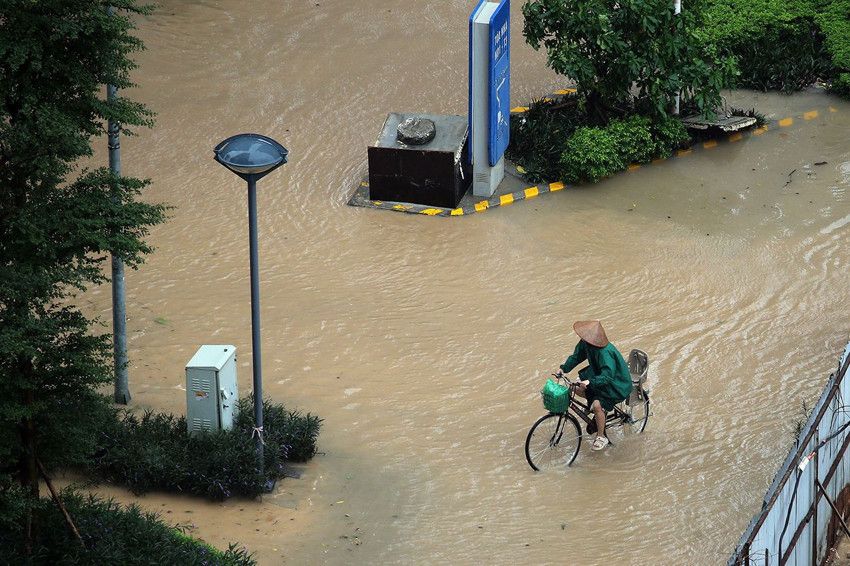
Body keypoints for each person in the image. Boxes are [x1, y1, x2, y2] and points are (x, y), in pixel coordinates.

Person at [556, 320, 633, 451]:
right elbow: (576, 357)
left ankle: (601, 436)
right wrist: (563, 369)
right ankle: (594, 407)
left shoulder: (605, 352)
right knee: (575, 388)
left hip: (616, 383)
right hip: (599, 377)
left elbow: (608, 376)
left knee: (597, 406)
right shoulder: (586, 344)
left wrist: (590, 382)